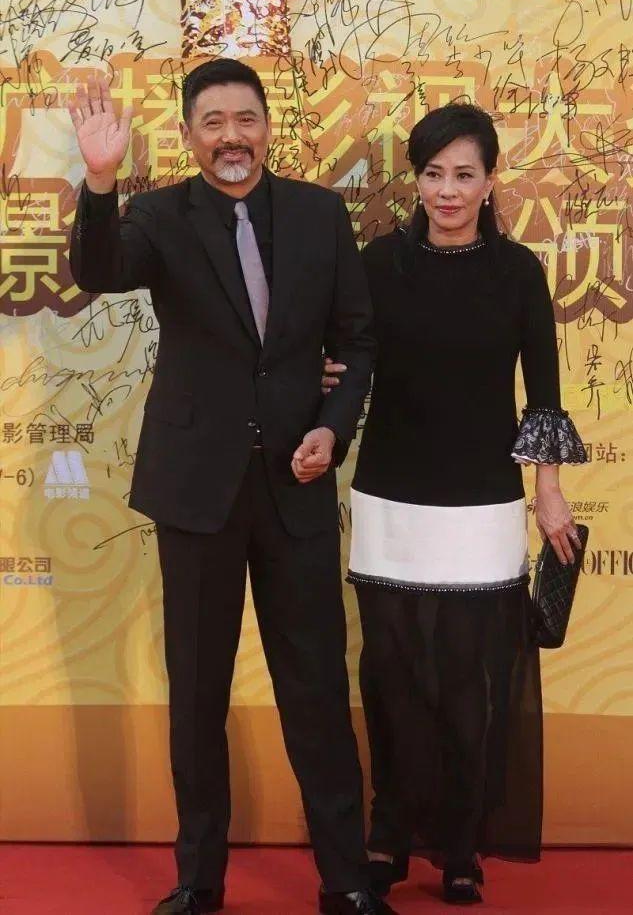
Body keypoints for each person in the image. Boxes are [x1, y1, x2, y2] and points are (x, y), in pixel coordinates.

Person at [68, 58, 396, 915]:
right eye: (211, 123)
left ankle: (345, 878)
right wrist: (99, 181)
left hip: (296, 480)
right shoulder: (158, 216)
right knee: (197, 692)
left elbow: (357, 340)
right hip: (195, 488)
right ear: (188, 136)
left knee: (315, 686)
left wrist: (332, 426)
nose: (231, 138)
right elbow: (99, 270)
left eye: (244, 119)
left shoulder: (321, 216)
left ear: (267, 126)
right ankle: (199, 879)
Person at [322, 103, 587, 905]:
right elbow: (347, 358)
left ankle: (462, 844)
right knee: (389, 675)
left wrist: (547, 492)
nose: (446, 190)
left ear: (489, 179)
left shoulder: (517, 273)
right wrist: (323, 378)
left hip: (481, 503)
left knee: (469, 681)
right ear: (416, 179)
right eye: (432, 173)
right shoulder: (377, 265)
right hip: (389, 496)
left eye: (463, 174)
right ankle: (387, 835)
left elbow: (542, 393)